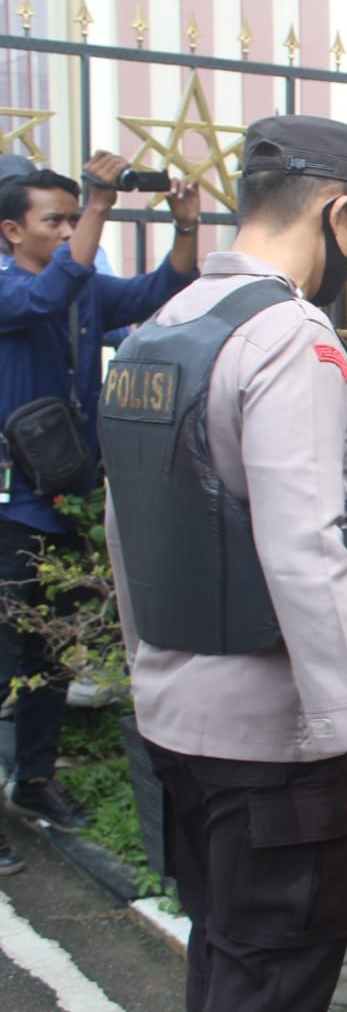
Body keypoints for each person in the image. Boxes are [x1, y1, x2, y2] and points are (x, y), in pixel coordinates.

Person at [100, 116, 347, 1011]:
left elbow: (125, 528)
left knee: (224, 956)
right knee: (272, 974)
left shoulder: (163, 327)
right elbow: (308, 554)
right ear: (339, 212)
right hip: (273, 749)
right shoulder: (288, 337)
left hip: (177, 722)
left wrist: (146, 671)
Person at [0, 154, 198, 875]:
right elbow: (49, 296)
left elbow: (159, 292)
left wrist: (184, 229)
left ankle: (35, 781)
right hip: (11, 511)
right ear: (9, 229)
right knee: (3, 664)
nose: (65, 230)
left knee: (52, 658)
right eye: (52, 220)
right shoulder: (13, 290)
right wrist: (100, 203)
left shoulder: (79, 290)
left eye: (69, 218)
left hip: (71, 502)